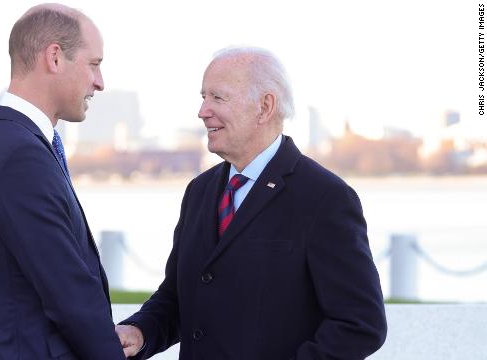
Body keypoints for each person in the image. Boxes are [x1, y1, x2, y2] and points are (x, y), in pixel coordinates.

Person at [115, 47, 387, 359]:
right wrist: (140, 331)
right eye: (203, 97)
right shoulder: (199, 191)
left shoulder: (325, 197)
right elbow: (178, 297)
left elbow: (360, 324)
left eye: (218, 98)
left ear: (265, 106)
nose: (203, 110)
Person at [0, 4, 125, 359]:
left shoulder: (10, 142)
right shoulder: (19, 155)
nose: (100, 82)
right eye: (94, 64)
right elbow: (69, 294)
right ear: (54, 57)